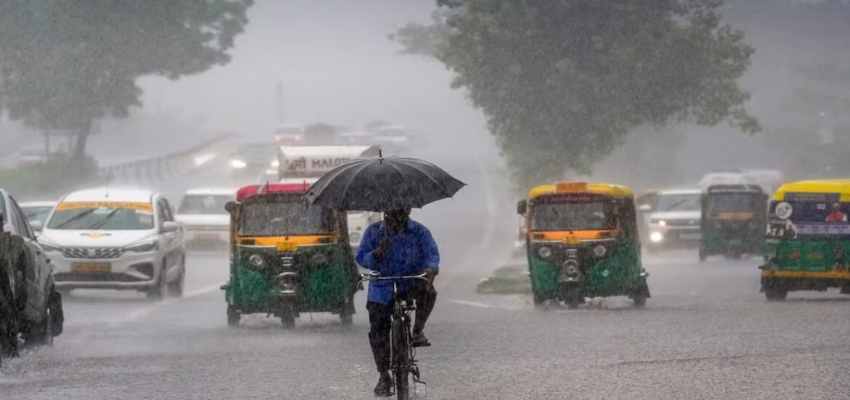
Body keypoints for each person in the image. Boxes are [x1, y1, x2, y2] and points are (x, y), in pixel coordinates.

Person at [356, 208, 439, 397]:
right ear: (385, 214)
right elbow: (361, 257)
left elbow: (432, 255)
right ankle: (384, 375)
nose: (396, 220)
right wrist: (376, 254)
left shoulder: (419, 231)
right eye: (392, 215)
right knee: (378, 330)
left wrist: (431, 269)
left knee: (429, 292)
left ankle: (417, 331)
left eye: (401, 214)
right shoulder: (373, 232)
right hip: (382, 286)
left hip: (410, 281)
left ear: (408, 212)